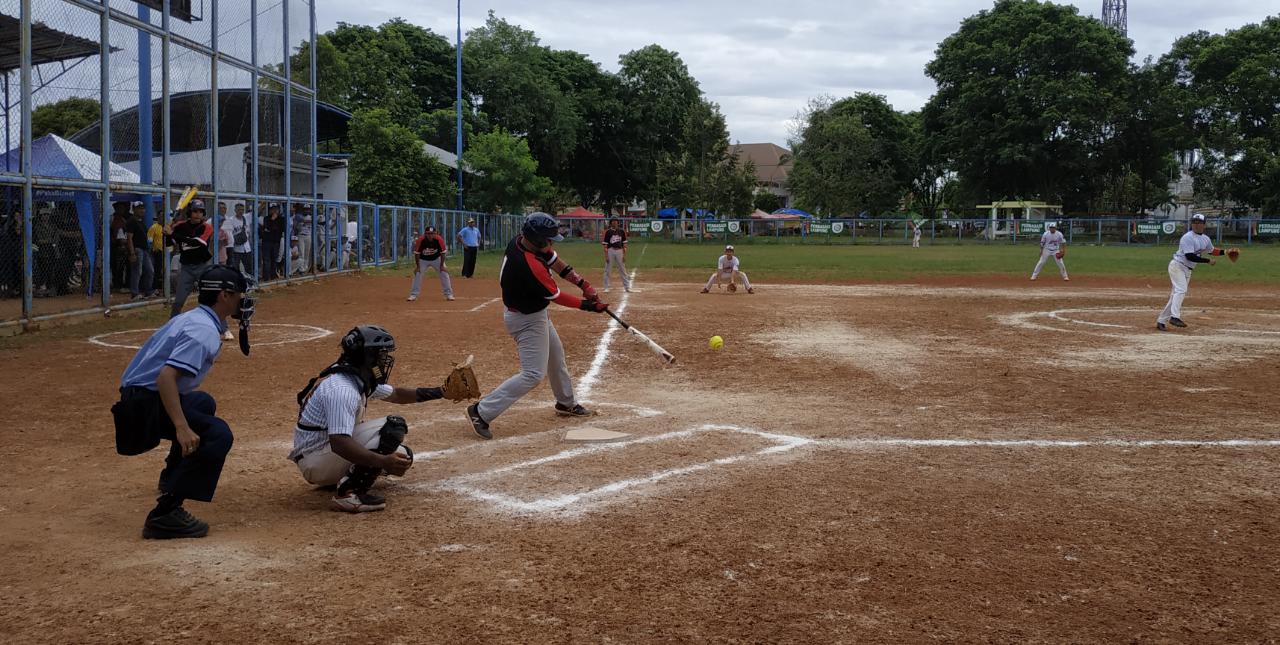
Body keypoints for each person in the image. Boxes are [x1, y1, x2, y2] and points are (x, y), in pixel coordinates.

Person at [110, 264, 252, 539]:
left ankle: (171, 477)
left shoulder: (196, 318)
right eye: (238, 294)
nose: (242, 300)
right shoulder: (203, 331)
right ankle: (166, 512)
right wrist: (181, 427)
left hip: (138, 399)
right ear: (223, 296)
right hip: (141, 407)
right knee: (219, 434)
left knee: (202, 403)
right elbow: (166, 378)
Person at [465, 212, 609, 440]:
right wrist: (589, 306)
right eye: (549, 239)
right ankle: (481, 412)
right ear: (538, 239)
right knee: (532, 374)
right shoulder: (528, 264)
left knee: (556, 357)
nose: (552, 243)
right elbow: (557, 296)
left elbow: (556, 261)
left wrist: (583, 284)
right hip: (525, 319)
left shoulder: (524, 242)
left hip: (534, 313)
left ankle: (565, 402)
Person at [289, 325, 452, 512]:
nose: (384, 360)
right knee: (392, 428)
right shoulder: (342, 389)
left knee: (402, 455)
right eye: (381, 355)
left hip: (322, 453)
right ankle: (349, 493)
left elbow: (397, 394)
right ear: (367, 356)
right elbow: (339, 442)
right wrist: (382, 462)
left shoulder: (353, 375)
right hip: (317, 459)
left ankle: (341, 475)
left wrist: (442, 392)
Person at [1157, 213, 1227, 331]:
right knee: (1181, 290)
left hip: (1187, 270)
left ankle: (1161, 321)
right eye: (1194, 222)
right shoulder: (1188, 237)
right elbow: (1189, 256)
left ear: (1204, 225)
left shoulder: (1205, 239)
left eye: (1199, 222)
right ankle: (1174, 317)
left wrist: (1226, 252)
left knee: (1175, 295)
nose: (1196, 224)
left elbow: (1212, 250)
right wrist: (1207, 261)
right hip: (1177, 266)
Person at [165, 199, 214, 319]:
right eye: (195, 211)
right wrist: (166, 234)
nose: (198, 214)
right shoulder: (180, 226)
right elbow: (169, 244)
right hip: (186, 267)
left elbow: (197, 243)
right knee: (178, 301)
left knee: (210, 298)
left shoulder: (206, 227)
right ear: (189, 213)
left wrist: (172, 234)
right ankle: (172, 324)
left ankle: (223, 328)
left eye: (201, 212)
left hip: (203, 266)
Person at [407, 225, 454, 302]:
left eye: (432, 233)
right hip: (423, 260)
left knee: (444, 273)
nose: (430, 235)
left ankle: (449, 294)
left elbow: (443, 253)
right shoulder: (420, 240)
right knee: (418, 274)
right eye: (428, 233)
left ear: (435, 234)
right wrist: (418, 267)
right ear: (425, 234)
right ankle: (413, 295)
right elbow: (417, 254)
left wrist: (442, 266)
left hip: (437, 259)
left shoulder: (439, 239)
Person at [125, 201, 154, 300]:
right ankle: (134, 293)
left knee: (150, 270)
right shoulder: (131, 221)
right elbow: (129, 238)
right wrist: (132, 253)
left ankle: (148, 291)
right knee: (137, 272)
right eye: (139, 208)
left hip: (144, 249)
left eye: (143, 208)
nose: (142, 210)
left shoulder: (140, 221)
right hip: (137, 249)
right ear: (134, 209)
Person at [601, 217, 631, 293]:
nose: (614, 223)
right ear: (611, 223)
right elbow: (605, 245)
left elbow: (624, 244)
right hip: (610, 250)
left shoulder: (621, 231)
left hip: (619, 251)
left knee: (623, 269)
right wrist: (606, 256)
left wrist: (624, 255)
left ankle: (627, 287)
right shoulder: (608, 232)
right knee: (608, 269)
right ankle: (606, 287)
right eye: (613, 222)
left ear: (618, 222)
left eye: (616, 221)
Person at [259, 203, 285, 280]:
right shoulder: (266, 218)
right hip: (266, 242)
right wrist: (272, 220)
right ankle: (266, 277)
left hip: (276, 242)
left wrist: (273, 226)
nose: (274, 211)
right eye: (272, 209)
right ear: (270, 210)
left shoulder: (281, 219)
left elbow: (281, 229)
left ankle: (273, 276)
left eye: (276, 209)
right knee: (267, 260)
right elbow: (269, 227)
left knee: (274, 259)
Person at [146, 211, 165, 294]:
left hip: (167, 252)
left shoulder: (167, 227)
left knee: (166, 270)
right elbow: (149, 240)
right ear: (158, 217)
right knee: (157, 270)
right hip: (158, 252)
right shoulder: (154, 227)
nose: (162, 218)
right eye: (161, 216)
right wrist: (152, 249)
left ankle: (165, 287)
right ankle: (155, 287)